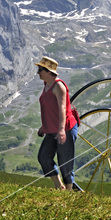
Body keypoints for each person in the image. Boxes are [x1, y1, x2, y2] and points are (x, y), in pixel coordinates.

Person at [36, 56, 78, 190]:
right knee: (43, 156)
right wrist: (44, 126)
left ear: (49, 71)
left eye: (41, 69)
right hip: (51, 129)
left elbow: (62, 108)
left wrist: (61, 130)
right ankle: (59, 186)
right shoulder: (47, 85)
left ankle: (69, 191)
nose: (38, 72)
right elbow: (49, 108)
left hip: (65, 128)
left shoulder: (58, 86)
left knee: (65, 161)